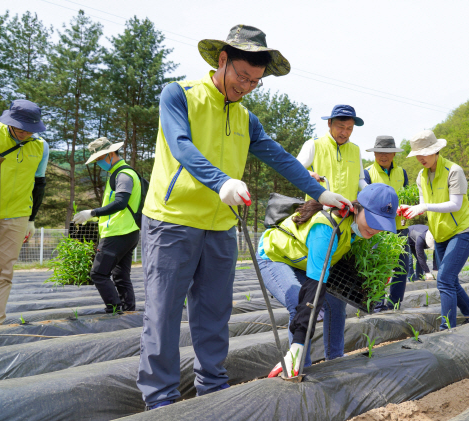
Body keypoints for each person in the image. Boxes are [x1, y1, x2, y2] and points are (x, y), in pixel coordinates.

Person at [135, 25, 351, 410]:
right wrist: (220, 181)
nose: (247, 86)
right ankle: (161, 400)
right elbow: (180, 145)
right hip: (172, 221)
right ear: (222, 61)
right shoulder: (179, 95)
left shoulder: (246, 118)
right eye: (242, 77)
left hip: (219, 227)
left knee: (215, 312)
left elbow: (280, 157)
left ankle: (213, 389)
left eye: (256, 82)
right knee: (164, 311)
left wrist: (320, 192)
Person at [259, 183, 398, 377]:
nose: (376, 229)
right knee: (299, 301)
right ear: (357, 208)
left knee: (336, 303)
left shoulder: (357, 229)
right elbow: (314, 287)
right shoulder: (326, 230)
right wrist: (299, 343)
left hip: (304, 260)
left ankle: (335, 360)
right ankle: (299, 365)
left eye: (383, 224)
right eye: (374, 220)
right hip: (274, 256)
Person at [400, 130, 469, 330]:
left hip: (462, 231)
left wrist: (425, 207)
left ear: (436, 151)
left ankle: (447, 329)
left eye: (425, 153)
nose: (421, 158)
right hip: (440, 234)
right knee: (450, 280)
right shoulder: (421, 175)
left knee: (444, 279)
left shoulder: (454, 171)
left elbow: (455, 204)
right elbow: (423, 204)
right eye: (418, 154)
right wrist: (410, 210)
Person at [73, 138, 142, 313]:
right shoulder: (118, 174)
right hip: (128, 232)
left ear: (110, 154)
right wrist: (95, 218)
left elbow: (120, 203)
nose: (99, 163)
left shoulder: (123, 175)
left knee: (98, 273)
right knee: (120, 276)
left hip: (118, 233)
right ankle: (128, 312)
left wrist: (92, 213)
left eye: (99, 159)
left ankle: (114, 309)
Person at [0, 100, 48, 325]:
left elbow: (39, 184)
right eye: (20, 128)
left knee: (5, 269)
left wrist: (32, 219)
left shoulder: (41, 146)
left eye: (30, 129)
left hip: (17, 214)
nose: (25, 133)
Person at [363, 136, 410, 309]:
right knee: (379, 266)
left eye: (388, 153)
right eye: (380, 152)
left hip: (399, 227)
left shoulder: (401, 172)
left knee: (402, 265)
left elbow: (405, 196)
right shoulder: (367, 173)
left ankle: (395, 303)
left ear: (394, 154)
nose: (384, 156)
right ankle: (377, 304)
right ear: (374, 153)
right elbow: (366, 202)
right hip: (378, 228)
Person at [296, 104, 366, 201]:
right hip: (318, 212)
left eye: (349, 128)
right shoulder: (313, 144)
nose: (344, 132)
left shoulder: (356, 149)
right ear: (329, 123)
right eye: (340, 127)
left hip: (347, 212)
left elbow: (359, 180)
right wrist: (308, 173)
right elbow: (294, 171)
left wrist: (371, 190)